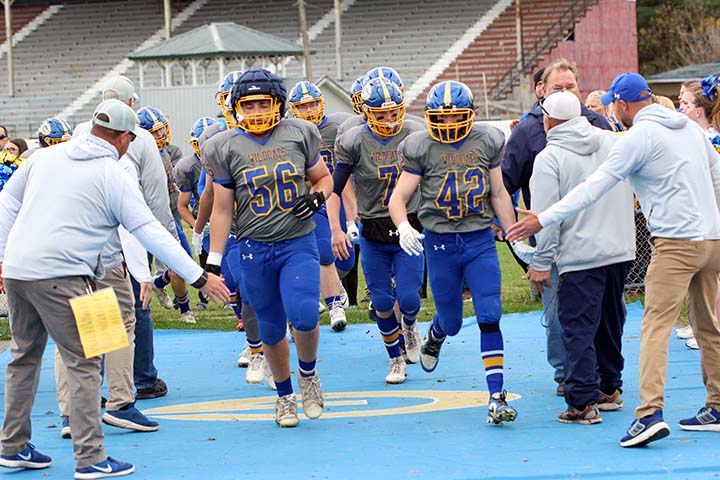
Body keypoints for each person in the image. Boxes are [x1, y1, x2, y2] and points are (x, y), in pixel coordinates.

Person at [0, 99, 229, 478]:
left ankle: (13, 445)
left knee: (24, 357)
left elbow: (6, 201)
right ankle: (91, 455)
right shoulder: (114, 171)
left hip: (21, 272)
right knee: (88, 359)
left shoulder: (45, 157)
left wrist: (4, 255)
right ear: (124, 137)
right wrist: (198, 275)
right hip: (70, 275)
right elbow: (146, 229)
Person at [507, 72, 720, 447]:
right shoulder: (689, 130)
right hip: (711, 238)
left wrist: (545, 217)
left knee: (655, 328)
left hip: (675, 242)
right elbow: (717, 179)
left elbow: (594, 187)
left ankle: (650, 413)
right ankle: (717, 404)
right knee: (708, 327)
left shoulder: (638, 136)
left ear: (622, 104)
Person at [205, 69, 332, 427]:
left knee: (305, 313)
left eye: (264, 103)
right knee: (272, 328)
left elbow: (323, 177)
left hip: (297, 240)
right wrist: (214, 260)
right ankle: (284, 396)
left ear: (279, 104)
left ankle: (308, 375)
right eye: (250, 104)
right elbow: (222, 208)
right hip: (255, 247)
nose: (258, 110)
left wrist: (317, 196)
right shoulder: (224, 144)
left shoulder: (299, 132)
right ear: (237, 107)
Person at [388, 80, 519, 424]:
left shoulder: (487, 140)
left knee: (490, 314)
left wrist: (514, 231)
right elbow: (398, 198)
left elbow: (498, 192)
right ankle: (436, 334)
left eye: (456, 117)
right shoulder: (420, 146)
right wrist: (403, 226)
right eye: (441, 118)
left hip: (478, 241)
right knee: (453, 321)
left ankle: (496, 395)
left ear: (471, 114)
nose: (448, 124)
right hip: (441, 243)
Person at [502, 58, 613, 396]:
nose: (566, 93)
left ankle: (601, 376)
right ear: (541, 91)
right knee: (558, 315)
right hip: (551, 236)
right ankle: (566, 374)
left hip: (598, 235)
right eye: (557, 88)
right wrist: (507, 227)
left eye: (570, 87)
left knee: (605, 312)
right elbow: (504, 183)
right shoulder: (528, 131)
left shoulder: (600, 126)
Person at [527, 91, 635, 424]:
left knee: (577, 327)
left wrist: (541, 262)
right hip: (620, 248)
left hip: (580, 253)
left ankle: (583, 401)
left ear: (548, 119)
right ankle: (609, 388)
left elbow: (546, 216)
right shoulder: (611, 141)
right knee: (610, 322)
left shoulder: (550, 157)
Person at [73, 75, 177, 400]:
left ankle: (94, 387)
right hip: (126, 236)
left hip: (82, 242)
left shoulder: (78, 134)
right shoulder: (141, 138)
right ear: (132, 104)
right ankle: (141, 379)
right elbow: (157, 199)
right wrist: (167, 251)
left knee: (96, 315)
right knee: (134, 310)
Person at [330, 76, 425, 384]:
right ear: (366, 112)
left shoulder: (415, 132)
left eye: (393, 112)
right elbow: (334, 188)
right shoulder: (353, 139)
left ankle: (410, 326)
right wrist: (338, 228)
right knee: (383, 301)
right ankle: (395, 358)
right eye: (380, 114)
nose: (388, 119)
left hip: (409, 224)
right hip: (373, 228)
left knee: (409, 298)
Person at [288, 80, 353, 332]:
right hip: (307, 200)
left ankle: (333, 286)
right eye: (303, 106)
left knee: (346, 259)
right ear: (294, 109)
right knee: (322, 252)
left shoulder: (338, 127)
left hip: (336, 195)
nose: (309, 110)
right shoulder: (291, 132)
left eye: (313, 103)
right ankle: (332, 302)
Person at [137, 106, 195, 324]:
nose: (160, 135)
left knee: (183, 261)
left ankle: (166, 292)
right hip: (142, 220)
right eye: (153, 132)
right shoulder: (137, 156)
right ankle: (144, 308)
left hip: (169, 215)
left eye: (161, 130)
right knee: (141, 267)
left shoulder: (168, 153)